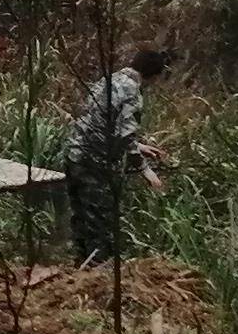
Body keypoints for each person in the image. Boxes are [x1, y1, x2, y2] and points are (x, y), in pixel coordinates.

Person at [64, 44, 171, 264]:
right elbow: (124, 134)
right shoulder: (132, 91)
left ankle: (80, 268)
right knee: (100, 222)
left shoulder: (109, 80)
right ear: (152, 76)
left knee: (81, 217)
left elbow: (101, 121)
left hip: (73, 154)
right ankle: (97, 273)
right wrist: (145, 170)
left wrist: (138, 146)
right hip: (93, 162)